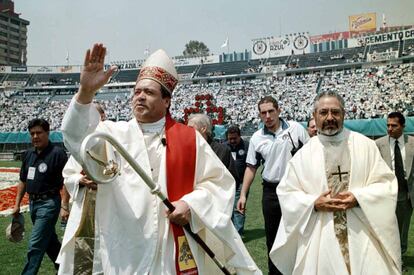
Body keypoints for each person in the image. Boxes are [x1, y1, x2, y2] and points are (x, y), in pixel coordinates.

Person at [59, 43, 261, 274]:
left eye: (149, 92)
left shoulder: (189, 139)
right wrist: (85, 93)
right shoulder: (111, 133)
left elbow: (219, 184)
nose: (140, 97)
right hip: (124, 247)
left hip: (169, 245)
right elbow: (76, 139)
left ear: (167, 101)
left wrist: (190, 205)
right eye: (137, 91)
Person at [270, 91, 401, 274]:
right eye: (323, 113)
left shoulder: (365, 146)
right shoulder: (302, 156)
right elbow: (287, 193)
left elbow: (386, 185)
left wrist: (358, 197)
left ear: (344, 114)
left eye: (335, 112)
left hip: (362, 233)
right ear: (314, 116)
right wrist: (313, 203)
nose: (330, 117)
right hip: (321, 236)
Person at [237, 96, 309, 274]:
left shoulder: (296, 128)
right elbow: (251, 167)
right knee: (273, 237)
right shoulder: (256, 137)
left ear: (279, 110)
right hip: (271, 192)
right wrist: (243, 195)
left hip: (296, 189)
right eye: (263, 113)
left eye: (271, 111)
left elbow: (311, 155)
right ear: (260, 115)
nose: (268, 116)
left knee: (299, 234)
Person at [12, 118, 69, 274]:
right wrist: (17, 204)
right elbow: (23, 180)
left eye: (39, 133)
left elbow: (66, 182)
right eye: (32, 134)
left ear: (47, 133)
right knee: (50, 242)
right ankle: (65, 269)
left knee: (35, 244)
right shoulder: (28, 154)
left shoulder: (58, 154)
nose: (35, 136)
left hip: (49, 204)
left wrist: (64, 206)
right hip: (33, 204)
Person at [57, 103, 106, 275]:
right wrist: (81, 179)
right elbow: (68, 175)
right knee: (80, 251)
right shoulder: (80, 148)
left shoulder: (112, 144)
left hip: (107, 204)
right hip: (84, 202)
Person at [376, 111, 414, 271]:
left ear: (403, 127)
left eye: (394, 125)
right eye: (388, 125)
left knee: (403, 230)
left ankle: (400, 259)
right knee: (385, 229)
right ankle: (385, 258)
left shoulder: (412, 143)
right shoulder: (378, 144)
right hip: (386, 195)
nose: (390, 129)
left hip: (407, 195)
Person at [226, 125, 249, 236]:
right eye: (230, 138)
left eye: (234, 138)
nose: (232, 141)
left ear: (240, 136)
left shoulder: (246, 146)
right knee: (227, 208)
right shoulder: (225, 147)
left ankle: (238, 233)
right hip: (227, 183)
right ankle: (229, 232)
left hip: (241, 182)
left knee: (238, 208)